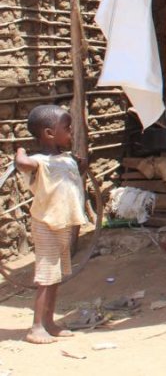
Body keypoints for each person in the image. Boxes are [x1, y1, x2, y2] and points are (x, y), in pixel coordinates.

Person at [14, 104, 89, 344]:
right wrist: (20, 151)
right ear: (48, 133)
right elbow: (23, 165)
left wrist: (80, 163)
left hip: (63, 223)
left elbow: (77, 173)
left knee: (55, 277)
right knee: (46, 277)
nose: (70, 133)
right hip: (46, 224)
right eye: (66, 128)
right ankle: (36, 327)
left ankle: (49, 322)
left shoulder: (65, 159)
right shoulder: (38, 162)